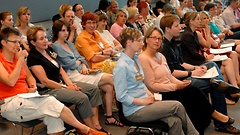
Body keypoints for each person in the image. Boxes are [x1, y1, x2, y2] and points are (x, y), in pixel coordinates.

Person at [0, 27, 106, 135]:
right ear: (3, 42)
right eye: (15, 42)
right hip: (10, 103)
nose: (18, 45)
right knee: (51, 102)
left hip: (28, 98)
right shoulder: (7, 59)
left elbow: (29, 77)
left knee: (55, 118)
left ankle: (88, 129)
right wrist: (21, 60)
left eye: (19, 41)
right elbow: (10, 81)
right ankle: (86, 129)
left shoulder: (18, 57)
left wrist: (32, 86)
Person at [139, 26, 235, 134]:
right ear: (146, 39)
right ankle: (215, 114)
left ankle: (207, 121)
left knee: (192, 93)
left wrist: (180, 83)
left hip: (170, 87)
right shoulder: (143, 58)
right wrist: (175, 86)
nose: (157, 41)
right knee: (192, 93)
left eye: (159, 39)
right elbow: (151, 85)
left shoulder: (160, 55)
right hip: (157, 94)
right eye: (154, 38)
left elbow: (169, 75)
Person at [160, 14, 240, 134]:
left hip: (186, 72)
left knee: (211, 66)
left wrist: (196, 68)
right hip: (179, 80)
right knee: (214, 85)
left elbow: (181, 63)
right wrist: (192, 71)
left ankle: (223, 87)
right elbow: (171, 72)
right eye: (176, 26)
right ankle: (222, 120)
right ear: (167, 29)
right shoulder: (164, 48)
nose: (179, 28)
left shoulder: (172, 43)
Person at [113, 27, 199, 135]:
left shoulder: (135, 59)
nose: (141, 43)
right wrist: (143, 101)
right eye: (139, 40)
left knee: (175, 121)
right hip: (134, 111)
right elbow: (121, 96)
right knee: (177, 105)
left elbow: (141, 84)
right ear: (129, 42)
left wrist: (151, 97)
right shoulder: (121, 66)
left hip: (146, 103)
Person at [51, 20, 123, 127]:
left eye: (66, 30)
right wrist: (80, 62)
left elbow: (82, 58)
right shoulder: (55, 46)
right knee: (112, 78)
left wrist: (83, 64)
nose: (66, 33)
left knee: (108, 87)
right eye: (62, 31)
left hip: (83, 71)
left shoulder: (69, 44)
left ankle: (109, 117)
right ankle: (125, 109)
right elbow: (70, 64)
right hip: (72, 76)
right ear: (56, 32)